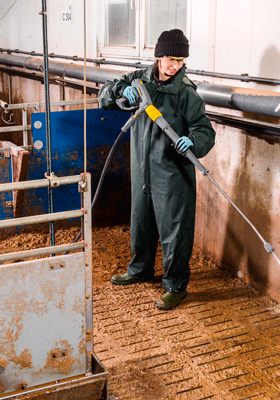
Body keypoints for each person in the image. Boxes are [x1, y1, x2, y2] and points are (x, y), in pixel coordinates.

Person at [98, 29, 216, 310]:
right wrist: (120, 91)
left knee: (175, 229)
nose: (175, 65)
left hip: (172, 173)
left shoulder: (185, 93)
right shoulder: (138, 80)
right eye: (171, 59)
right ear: (159, 56)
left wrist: (194, 141)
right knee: (141, 221)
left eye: (180, 60)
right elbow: (104, 95)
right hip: (142, 167)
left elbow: (205, 130)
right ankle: (140, 269)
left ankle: (175, 284)